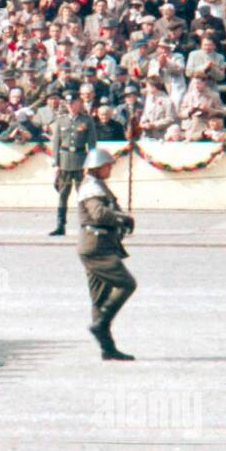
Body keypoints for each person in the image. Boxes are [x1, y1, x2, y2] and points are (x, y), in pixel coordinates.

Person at [76, 148, 135, 362]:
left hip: (99, 243)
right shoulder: (92, 187)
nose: (110, 168)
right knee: (127, 283)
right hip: (96, 246)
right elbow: (99, 213)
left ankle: (107, 348)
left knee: (100, 299)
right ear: (98, 167)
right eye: (108, 165)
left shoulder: (97, 185)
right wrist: (121, 218)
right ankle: (100, 326)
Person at [48, 93, 96, 237]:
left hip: (81, 160)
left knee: (83, 195)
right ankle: (60, 225)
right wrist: (56, 162)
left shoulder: (86, 121)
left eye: (73, 103)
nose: (70, 106)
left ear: (79, 103)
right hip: (65, 161)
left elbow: (92, 144)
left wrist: (91, 164)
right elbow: (56, 142)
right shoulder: (61, 121)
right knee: (63, 195)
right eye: (68, 104)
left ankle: (87, 224)